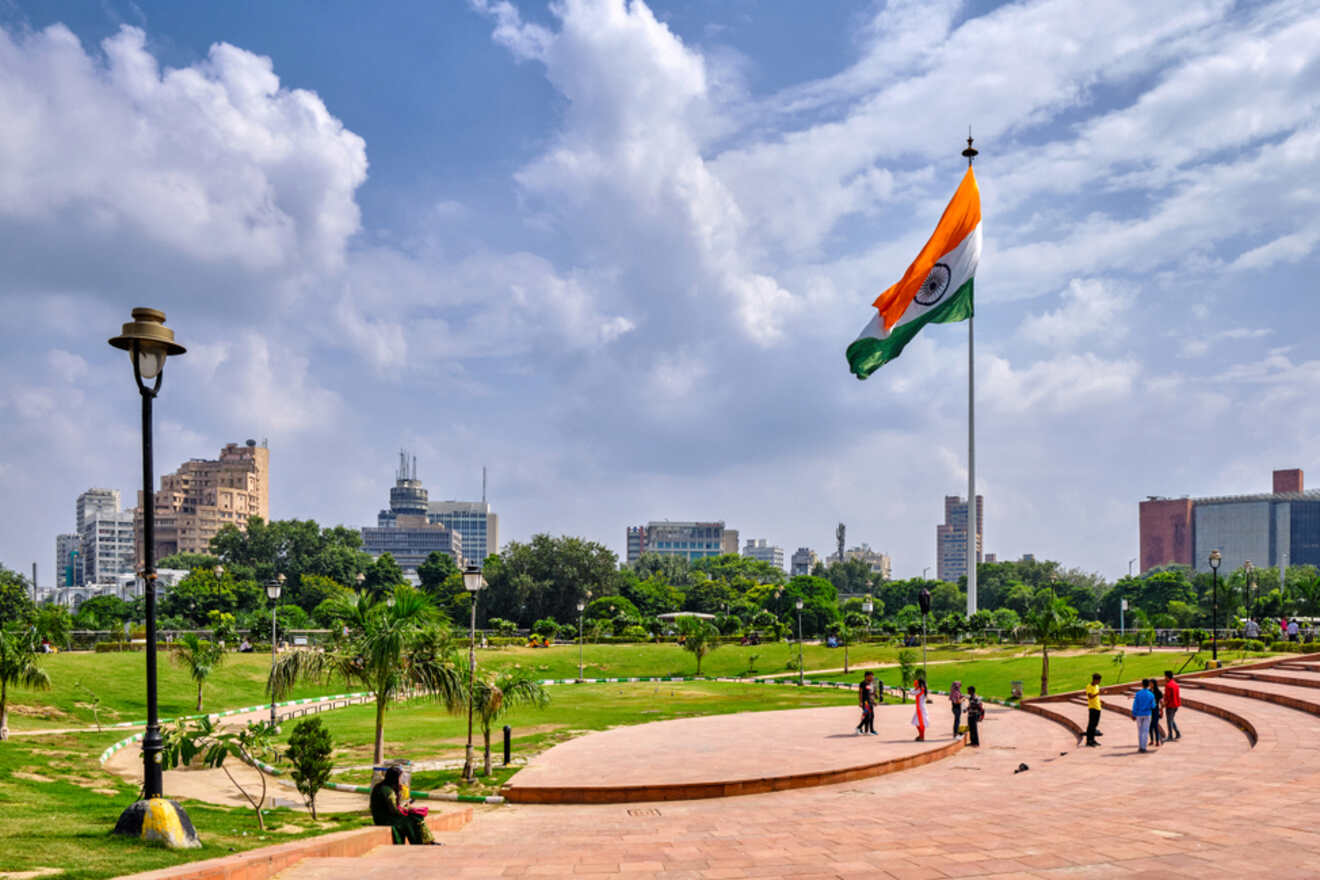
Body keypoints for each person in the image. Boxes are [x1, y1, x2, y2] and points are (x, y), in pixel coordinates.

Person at [370, 766, 438, 845]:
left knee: (416, 816)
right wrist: (405, 811)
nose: (401, 780)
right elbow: (393, 809)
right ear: (395, 778)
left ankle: (428, 841)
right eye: (399, 778)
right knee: (413, 819)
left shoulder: (382, 786)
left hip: (385, 816)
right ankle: (421, 842)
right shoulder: (387, 790)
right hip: (385, 818)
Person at [1131, 679, 1155, 753]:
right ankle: (1144, 747)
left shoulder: (1138, 694)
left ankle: (1140, 746)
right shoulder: (1151, 694)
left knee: (1140, 731)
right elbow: (1153, 706)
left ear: (1142, 685)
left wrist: (1133, 714)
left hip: (1139, 714)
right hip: (1147, 714)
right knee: (1145, 731)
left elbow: (1135, 705)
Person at [1085, 673, 1103, 747]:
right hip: (1092, 708)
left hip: (1098, 707)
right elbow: (1090, 696)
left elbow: (1096, 697)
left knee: (1095, 725)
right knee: (1091, 725)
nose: (1099, 682)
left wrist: (1101, 701)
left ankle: (1093, 739)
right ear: (1095, 680)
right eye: (1098, 680)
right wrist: (1098, 693)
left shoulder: (1097, 686)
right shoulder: (1089, 687)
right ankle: (1089, 740)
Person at [1163, 671, 1182, 740]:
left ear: (1167, 677)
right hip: (1176, 705)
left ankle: (1170, 736)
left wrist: (1163, 704)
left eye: (1165, 676)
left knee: (1169, 721)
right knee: (1171, 720)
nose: (1164, 678)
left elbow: (1167, 697)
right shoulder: (1175, 684)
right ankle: (1177, 733)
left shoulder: (1168, 685)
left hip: (1170, 706)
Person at [857, 671, 877, 735]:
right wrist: (860, 702)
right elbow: (860, 693)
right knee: (867, 716)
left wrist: (873, 701)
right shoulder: (863, 683)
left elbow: (870, 694)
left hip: (869, 702)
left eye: (872, 676)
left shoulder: (870, 684)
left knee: (872, 716)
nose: (872, 677)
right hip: (865, 702)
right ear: (867, 676)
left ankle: (870, 730)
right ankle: (859, 727)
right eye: (871, 676)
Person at [911, 677, 929, 741]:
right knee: (919, 722)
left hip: (920, 709)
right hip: (921, 708)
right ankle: (921, 735)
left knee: (919, 722)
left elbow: (912, 692)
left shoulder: (919, 690)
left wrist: (915, 687)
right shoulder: (923, 689)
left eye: (917, 682)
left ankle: (922, 736)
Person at [1149, 679, 1165, 747]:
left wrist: (1161, 709)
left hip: (1156, 710)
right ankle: (1152, 740)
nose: (1150, 684)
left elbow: (1161, 701)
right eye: (1149, 683)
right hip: (1149, 710)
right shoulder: (1149, 691)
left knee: (1155, 725)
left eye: (1151, 683)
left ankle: (1158, 741)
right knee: (1150, 726)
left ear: (1154, 684)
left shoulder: (1158, 692)